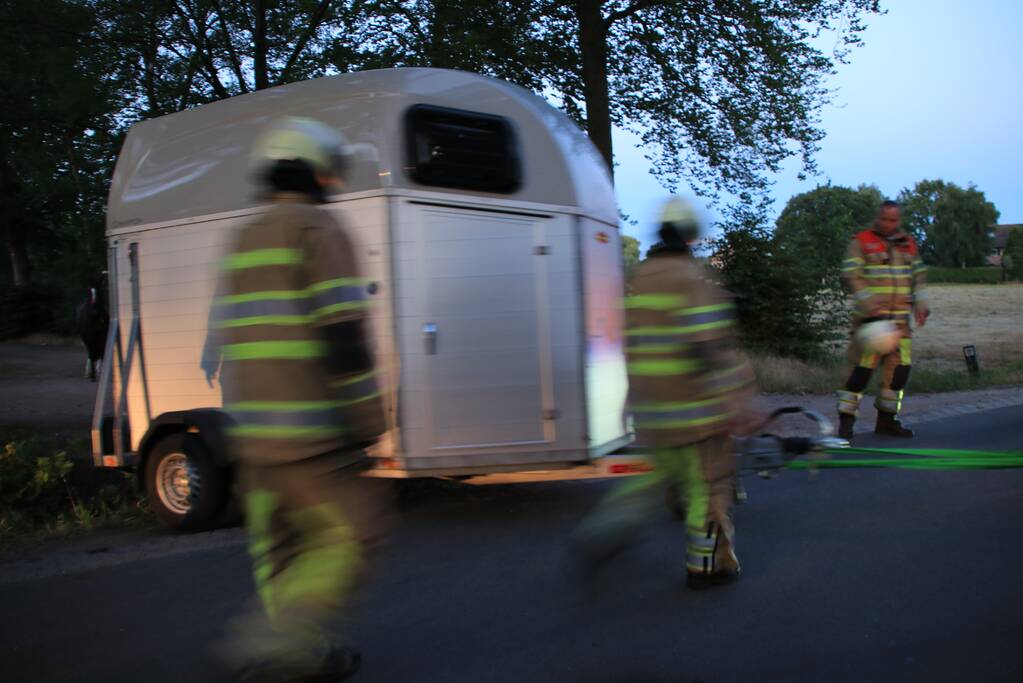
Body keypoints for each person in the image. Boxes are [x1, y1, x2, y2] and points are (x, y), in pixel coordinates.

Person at [212, 116, 392, 682]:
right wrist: (369, 422)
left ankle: (298, 652)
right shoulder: (318, 229)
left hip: (252, 439)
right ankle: (270, 641)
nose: (333, 184)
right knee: (352, 537)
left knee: (280, 554)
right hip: (313, 438)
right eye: (330, 173)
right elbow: (344, 339)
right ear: (313, 170)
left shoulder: (243, 237)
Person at [574, 197, 756, 590]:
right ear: (691, 236)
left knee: (657, 479)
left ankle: (607, 525)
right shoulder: (694, 279)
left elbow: (628, 343)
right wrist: (738, 399)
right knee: (705, 488)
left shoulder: (638, 278)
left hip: (652, 408)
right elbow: (709, 347)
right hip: (694, 410)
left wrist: (630, 400)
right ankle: (704, 568)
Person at [836, 200, 929, 441]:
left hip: (901, 325)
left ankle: (887, 421)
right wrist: (870, 305)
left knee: (898, 373)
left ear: (899, 220)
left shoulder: (907, 244)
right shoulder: (861, 242)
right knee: (860, 372)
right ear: (877, 218)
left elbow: (918, 276)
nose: (888, 224)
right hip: (871, 323)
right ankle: (845, 423)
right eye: (884, 219)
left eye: (893, 220)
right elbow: (852, 275)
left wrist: (921, 302)